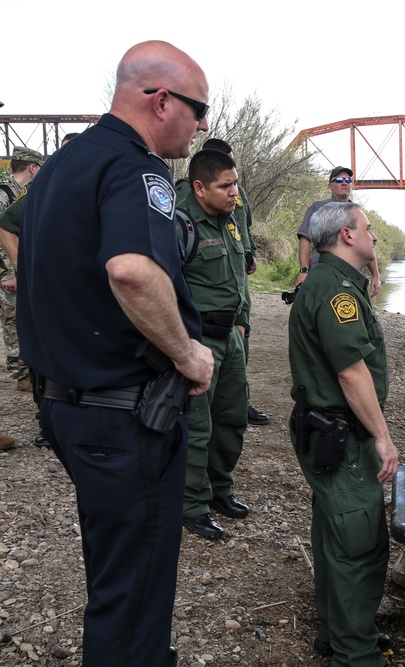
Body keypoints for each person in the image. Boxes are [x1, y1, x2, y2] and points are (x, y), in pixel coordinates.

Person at [17, 40, 214, 666]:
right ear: (161, 101)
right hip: (123, 417)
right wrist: (188, 355)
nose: (203, 123)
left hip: (68, 404)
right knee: (133, 595)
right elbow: (131, 271)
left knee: (114, 574)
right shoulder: (136, 167)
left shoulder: (64, 165)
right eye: (199, 108)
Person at [287, 201, 398, 666]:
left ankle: (336, 634)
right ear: (347, 236)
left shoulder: (336, 283)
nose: (374, 236)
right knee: (358, 541)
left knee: (334, 532)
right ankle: (357, 654)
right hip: (342, 435)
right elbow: (352, 373)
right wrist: (382, 436)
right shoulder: (337, 292)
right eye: (368, 228)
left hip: (327, 429)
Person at [175, 149, 251, 540]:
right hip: (198, 338)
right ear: (199, 187)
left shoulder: (230, 220)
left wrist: (242, 322)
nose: (234, 192)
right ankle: (192, 505)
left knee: (232, 418)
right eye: (225, 186)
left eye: (235, 183)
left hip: (231, 337)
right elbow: (161, 286)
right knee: (198, 426)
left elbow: (240, 278)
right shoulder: (180, 222)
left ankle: (220, 490)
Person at [1, 134, 78, 447]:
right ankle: (48, 422)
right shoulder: (41, 187)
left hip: (84, 289)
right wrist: (23, 270)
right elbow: (7, 225)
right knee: (46, 352)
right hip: (49, 288)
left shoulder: (103, 183)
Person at [200, 137, 270, 427]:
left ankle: (240, 398)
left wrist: (250, 253)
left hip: (238, 270)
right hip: (212, 272)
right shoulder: (193, 196)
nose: (232, 189)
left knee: (241, 334)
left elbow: (244, 227)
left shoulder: (237, 194)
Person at [296, 165, 380, 295]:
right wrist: (304, 271)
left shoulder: (357, 212)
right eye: (339, 180)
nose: (345, 183)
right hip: (323, 272)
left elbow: (368, 243)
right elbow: (305, 240)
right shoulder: (318, 208)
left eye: (348, 180)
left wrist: (375, 275)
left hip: (352, 274)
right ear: (330, 186)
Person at [0, 146, 44, 392]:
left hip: (16, 269)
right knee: (13, 320)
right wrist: (9, 272)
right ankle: (22, 375)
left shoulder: (19, 192)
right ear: (32, 167)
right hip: (8, 272)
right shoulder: (5, 193)